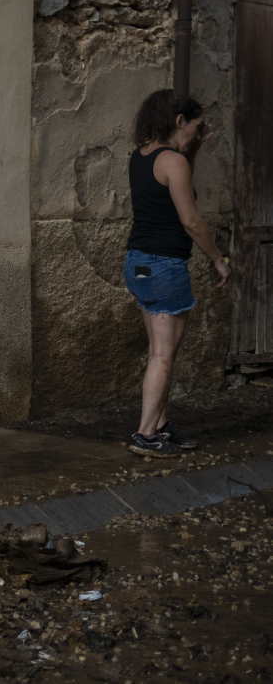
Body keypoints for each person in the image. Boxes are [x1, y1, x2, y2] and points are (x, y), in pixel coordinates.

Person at [123, 89, 230, 458]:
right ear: (179, 121)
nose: (198, 136)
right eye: (196, 127)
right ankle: (145, 434)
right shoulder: (174, 162)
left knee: (158, 351)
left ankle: (161, 425)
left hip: (137, 262)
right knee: (164, 356)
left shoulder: (140, 157)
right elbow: (192, 222)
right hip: (164, 265)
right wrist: (217, 257)